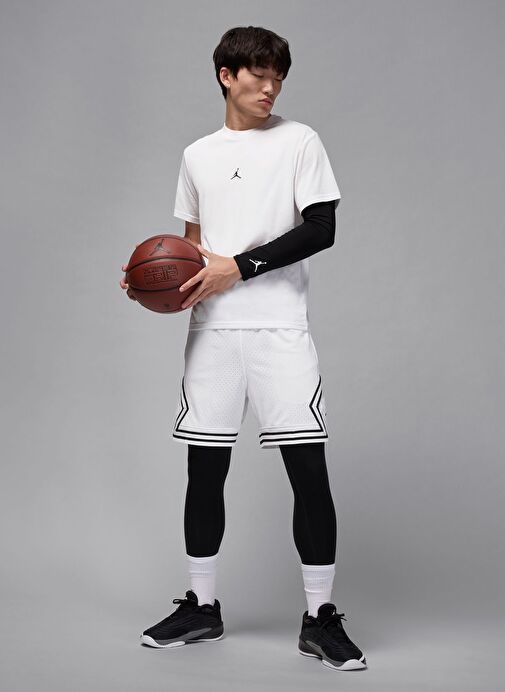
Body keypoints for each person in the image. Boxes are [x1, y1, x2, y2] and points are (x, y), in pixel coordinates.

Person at [120, 25, 367, 672]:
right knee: (204, 471)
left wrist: (243, 266)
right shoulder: (197, 155)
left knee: (307, 471)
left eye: (278, 76)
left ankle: (319, 618)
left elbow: (322, 229)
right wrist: (153, 286)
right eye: (258, 74)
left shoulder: (299, 140)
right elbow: (192, 250)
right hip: (213, 333)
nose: (270, 86)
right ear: (226, 76)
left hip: (279, 330)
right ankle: (202, 607)